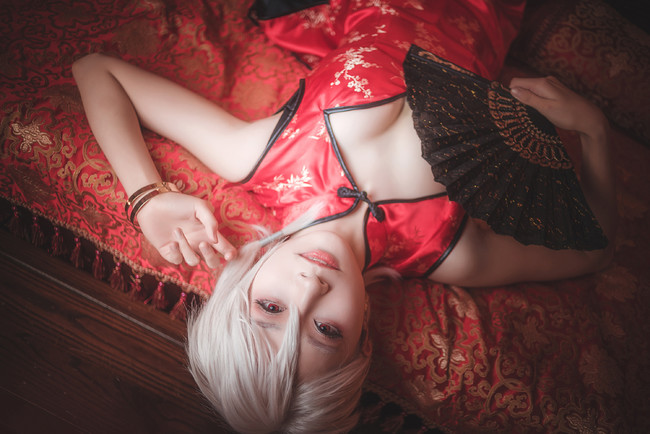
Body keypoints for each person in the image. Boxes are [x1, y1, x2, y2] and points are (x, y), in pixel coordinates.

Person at [72, 0, 616, 432]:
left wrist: (147, 198)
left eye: (271, 307)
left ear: (242, 285)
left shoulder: (260, 157)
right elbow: (595, 251)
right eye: (326, 330)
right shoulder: (450, 251)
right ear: (361, 341)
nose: (310, 289)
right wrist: (594, 131)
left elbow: (97, 71)